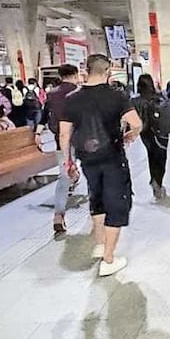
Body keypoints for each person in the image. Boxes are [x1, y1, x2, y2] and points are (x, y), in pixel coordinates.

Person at [60, 54, 142, 278]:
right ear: (107, 71)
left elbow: (64, 134)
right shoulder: (117, 95)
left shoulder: (71, 98)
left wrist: (68, 161)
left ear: (86, 70)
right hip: (113, 156)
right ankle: (108, 258)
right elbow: (136, 123)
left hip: (87, 158)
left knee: (96, 198)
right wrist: (129, 135)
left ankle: (100, 243)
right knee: (116, 203)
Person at [38, 64, 80, 236]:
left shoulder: (52, 94)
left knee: (63, 177)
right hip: (83, 138)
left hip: (60, 140)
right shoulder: (80, 92)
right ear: (75, 75)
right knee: (94, 173)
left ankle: (58, 215)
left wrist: (38, 132)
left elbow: (44, 114)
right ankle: (96, 212)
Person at [134, 74, 170, 200]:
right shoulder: (159, 98)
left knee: (151, 156)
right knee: (161, 157)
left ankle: (154, 180)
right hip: (160, 133)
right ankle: (157, 182)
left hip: (145, 133)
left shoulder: (135, 100)